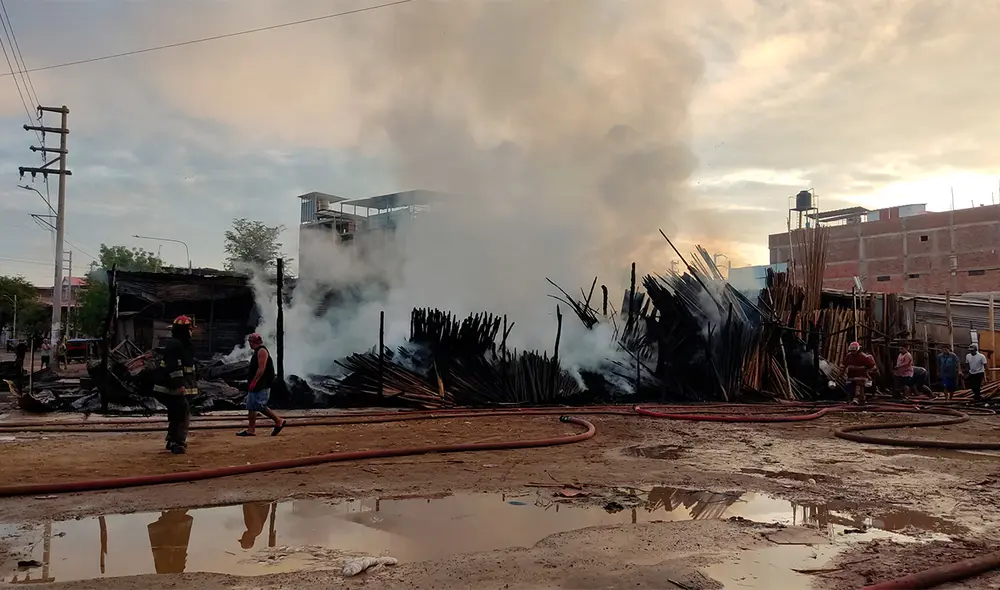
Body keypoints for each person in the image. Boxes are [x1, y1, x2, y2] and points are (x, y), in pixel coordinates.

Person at [153, 315, 198, 454]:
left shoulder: (180, 344)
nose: (192, 332)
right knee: (182, 414)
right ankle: (178, 442)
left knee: (176, 413)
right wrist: (179, 384)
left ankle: (172, 439)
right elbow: (174, 366)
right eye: (190, 329)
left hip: (175, 386)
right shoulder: (177, 344)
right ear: (184, 330)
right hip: (174, 387)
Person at [237, 333, 285, 437]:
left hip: (262, 383)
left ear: (253, 342)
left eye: (250, 342)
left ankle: (278, 421)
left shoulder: (262, 351)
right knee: (251, 406)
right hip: (256, 383)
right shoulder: (257, 351)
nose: (249, 344)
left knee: (260, 405)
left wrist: (254, 381)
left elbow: (261, 368)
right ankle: (251, 430)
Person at [840, 341, 878, 405]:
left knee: (859, 387)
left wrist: (868, 372)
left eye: (854, 351)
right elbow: (844, 364)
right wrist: (842, 371)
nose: (852, 352)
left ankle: (860, 399)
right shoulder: (848, 356)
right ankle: (850, 399)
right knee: (850, 387)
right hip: (851, 375)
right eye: (851, 351)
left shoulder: (864, 357)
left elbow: (873, 366)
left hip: (861, 376)